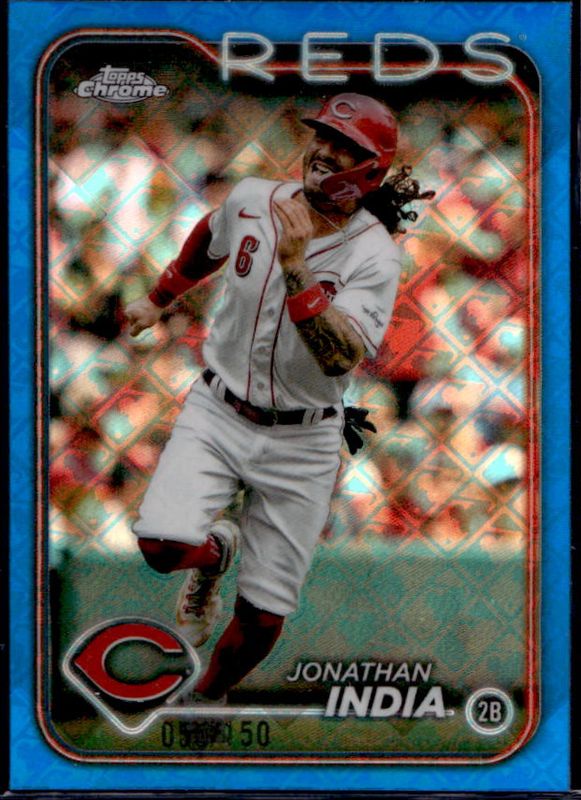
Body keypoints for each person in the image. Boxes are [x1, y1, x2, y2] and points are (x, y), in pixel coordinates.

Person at [125, 92, 432, 701]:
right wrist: (160, 297)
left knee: (264, 614)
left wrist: (297, 267)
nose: (325, 151)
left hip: (304, 434)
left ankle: (205, 699)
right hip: (219, 407)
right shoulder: (252, 198)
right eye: (323, 136)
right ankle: (215, 555)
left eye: (345, 146)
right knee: (161, 545)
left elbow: (340, 356)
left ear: (370, 170)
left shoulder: (375, 253)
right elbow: (208, 237)